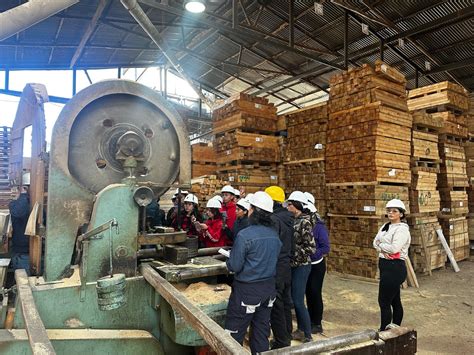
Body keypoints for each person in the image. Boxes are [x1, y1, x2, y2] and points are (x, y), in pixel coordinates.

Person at [224, 191, 282, 354]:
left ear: (254, 211)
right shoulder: (274, 235)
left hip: (247, 292)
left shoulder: (245, 235)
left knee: (233, 336)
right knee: (261, 333)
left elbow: (234, 266)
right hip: (268, 291)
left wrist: (228, 262)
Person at [373, 199, 411, 331]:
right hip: (385, 265)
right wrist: (382, 248)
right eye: (389, 211)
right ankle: (395, 328)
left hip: (394, 267)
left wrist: (380, 246)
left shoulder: (402, 230)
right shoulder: (385, 226)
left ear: (401, 214)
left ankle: (384, 330)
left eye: (394, 211)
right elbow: (374, 242)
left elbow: (395, 248)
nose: (391, 213)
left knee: (384, 301)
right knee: (395, 300)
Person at [265, 185, 294, 349]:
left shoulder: (274, 220)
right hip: (286, 266)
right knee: (285, 302)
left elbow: (272, 244)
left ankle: (281, 341)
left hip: (276, 266)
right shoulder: (289, 217)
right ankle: (287, 333)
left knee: (276, 305)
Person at [286, 191, 315, 343]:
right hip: (293, 265)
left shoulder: (305, 222)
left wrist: (293, 252)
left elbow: (311, 248)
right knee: (293, 300)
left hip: (301, 266)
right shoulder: (292, 220)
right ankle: (301, 330)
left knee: (298, 300)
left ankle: (308, 334)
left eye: (289, 204)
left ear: (296, 206)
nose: (287, 206)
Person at [306, 204, 330, 334]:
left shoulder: (319, 227)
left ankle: (317, 322)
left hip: (317, 265)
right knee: (308, 293)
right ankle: (310, 319)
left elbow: (326, 247)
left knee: (315, 292)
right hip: (306, 265)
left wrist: (312, 253)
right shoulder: (303, 225)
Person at [9, 186, 31, 275]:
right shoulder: (14, 205)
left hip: (34, 250)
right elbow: (19, 212)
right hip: (21, 253)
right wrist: (23, 195)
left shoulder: (32, 203)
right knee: (22, 278)